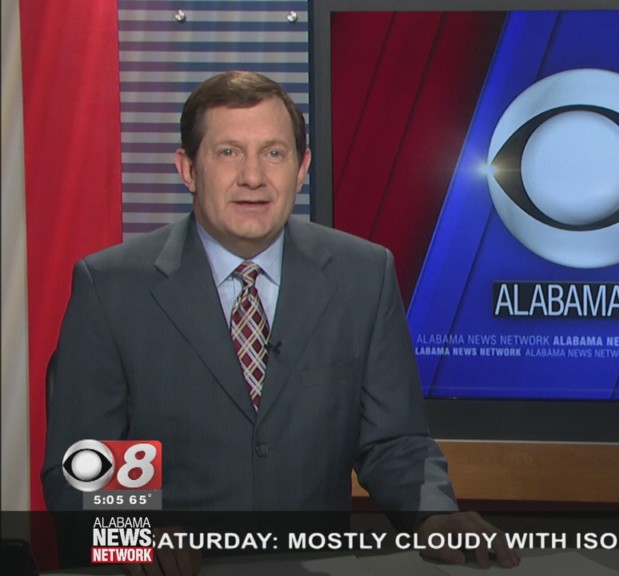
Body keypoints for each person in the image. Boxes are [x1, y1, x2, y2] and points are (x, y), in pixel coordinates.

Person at [41, 71, 517, 573]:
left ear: (301, 167)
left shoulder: (363, 275)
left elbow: (394, 441)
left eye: (273, 153)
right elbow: (83, 463)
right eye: (228, 152)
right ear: (188, 169)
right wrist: (136, 537)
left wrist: (433, 515)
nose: (253, 177)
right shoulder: (112, 287)